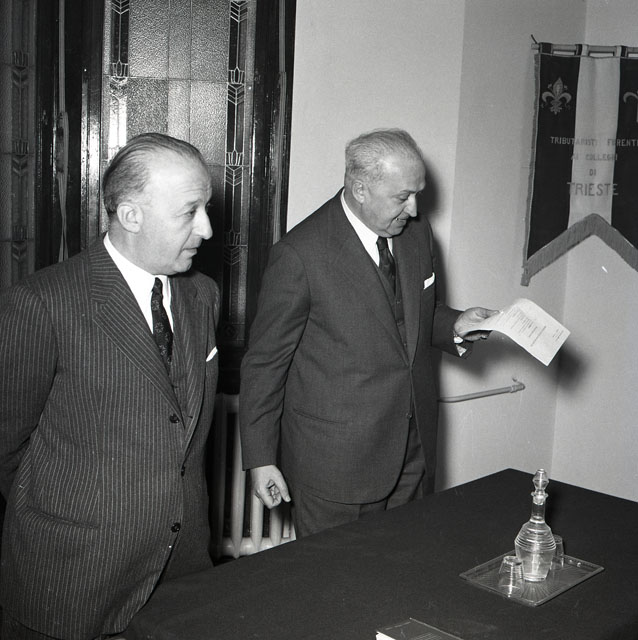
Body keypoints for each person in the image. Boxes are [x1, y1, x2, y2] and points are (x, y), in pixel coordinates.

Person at [0, 133, 219, 639]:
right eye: (190, 212)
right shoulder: (42, 302)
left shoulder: (202, 295)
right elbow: (8, 445)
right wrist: (75, 513)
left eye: (206, 208)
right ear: (131, 215)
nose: (207, 228)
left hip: (182, 570)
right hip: (73, 579)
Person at [239, 128, 496, 538]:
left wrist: (456, 324)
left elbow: (409, 319)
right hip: (335, 467)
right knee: (334, 576)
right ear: (360, 189)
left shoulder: (416, 234)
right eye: (402, 197)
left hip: (412, 452)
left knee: (403, 568)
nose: (414, 209)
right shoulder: (300, 255)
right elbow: (264, 364)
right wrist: (260, 457)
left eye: (417, 194)